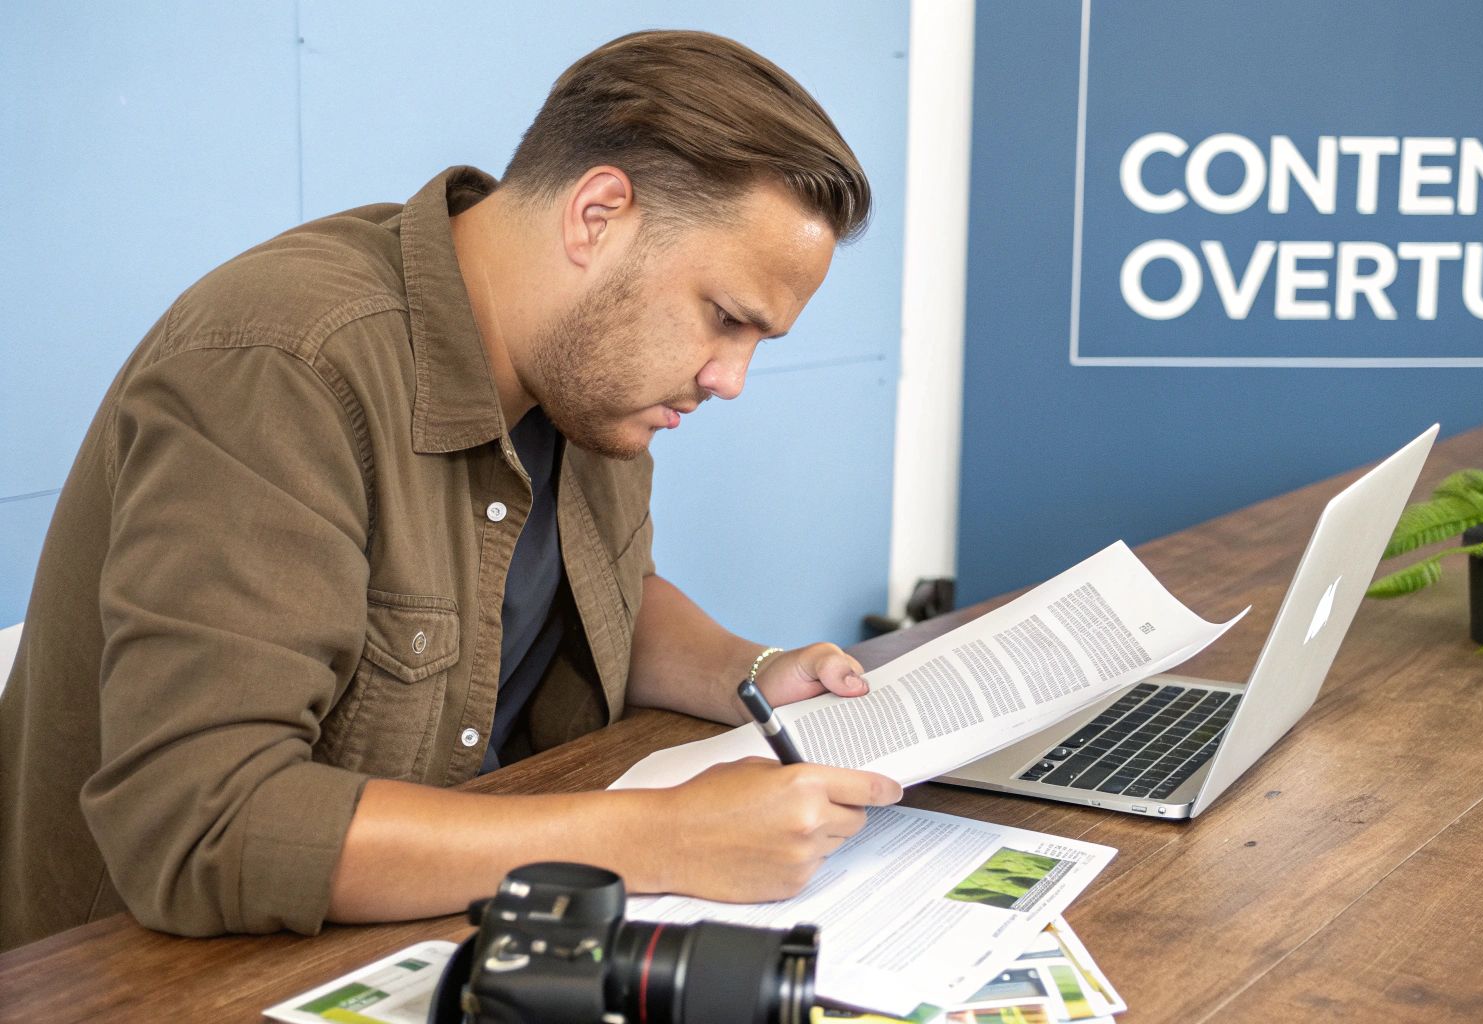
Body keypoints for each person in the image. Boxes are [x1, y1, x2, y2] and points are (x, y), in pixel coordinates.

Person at [0, 29, 903, 953]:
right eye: (724, 318)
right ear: (598, 217)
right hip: (160, 973)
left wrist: (751, 675)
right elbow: (205, 824)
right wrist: (664, 839)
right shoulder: (283, 366)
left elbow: (598, 599)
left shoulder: (588, 372)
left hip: (437, 921)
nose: (730, 380)